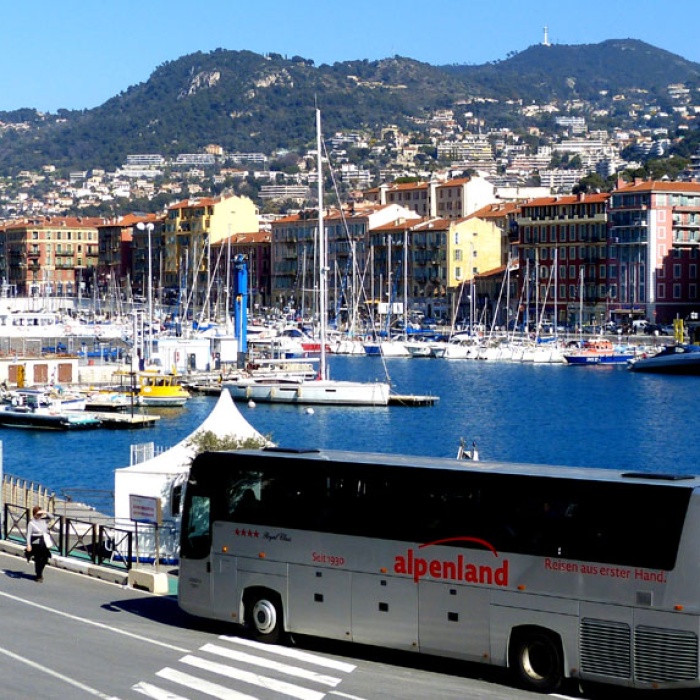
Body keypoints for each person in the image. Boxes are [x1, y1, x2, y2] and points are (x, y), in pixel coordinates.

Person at [25, 506, 51, 582]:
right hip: (35, 542)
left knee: (45, 559)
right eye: (38, 514)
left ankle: (39, 571)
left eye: (40, 514)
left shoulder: (44, 521)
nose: (39, 515)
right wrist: (28, 544)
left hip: (44, 542)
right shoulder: (31, 523)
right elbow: (28, 534)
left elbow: (52, 517)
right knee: (38, 559)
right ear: (34, 514)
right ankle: (39, 575)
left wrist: (45, 512)